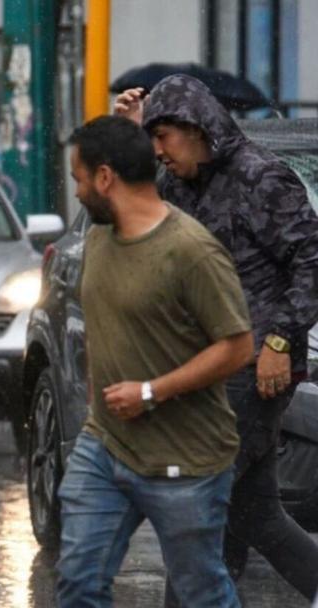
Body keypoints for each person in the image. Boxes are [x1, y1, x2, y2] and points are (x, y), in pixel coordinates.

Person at [115, 75, 318, 603]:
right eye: (152, 140)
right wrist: (129, 136)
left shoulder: (261, 177)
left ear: (196, 127)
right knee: (256, 515)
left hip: (254, 366)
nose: (159, 151)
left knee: (194, 509)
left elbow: (311, 261)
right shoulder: (179, 184)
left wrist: (280, 341)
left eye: (163, 137)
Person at [56, 116, 254, 607]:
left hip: (185, 459)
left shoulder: (191, 251)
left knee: (201, 594)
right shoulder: (99, 237)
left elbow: (236, 346)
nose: (76, 192)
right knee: (79, 582)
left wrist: (151, 391)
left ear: (105, 178)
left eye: (79, 179)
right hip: (105, 445)